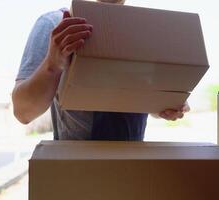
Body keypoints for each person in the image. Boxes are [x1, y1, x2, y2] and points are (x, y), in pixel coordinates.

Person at [12, 0, 190, 141]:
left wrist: (166, 104)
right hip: (75, 171)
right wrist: (52, 64)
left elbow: (141, 100)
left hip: (133, 166)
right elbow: (22, 112)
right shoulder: (55, 24)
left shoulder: (144, 29)